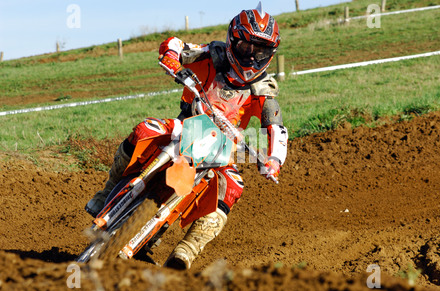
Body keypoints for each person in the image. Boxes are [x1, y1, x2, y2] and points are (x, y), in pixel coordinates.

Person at [85, 2, 288, 270]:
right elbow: (176, 44)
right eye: (245, 47)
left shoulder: (263, 90)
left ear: (269, 54)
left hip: (224, 147)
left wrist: (274, 159)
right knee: (146, 129)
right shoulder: (212, 54)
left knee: (233, 185)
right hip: (186, 125)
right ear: (232, 40)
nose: (251, 57)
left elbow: (276, 128)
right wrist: (171, 57)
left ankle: (186, 251)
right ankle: (109, 189)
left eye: (259, 51)